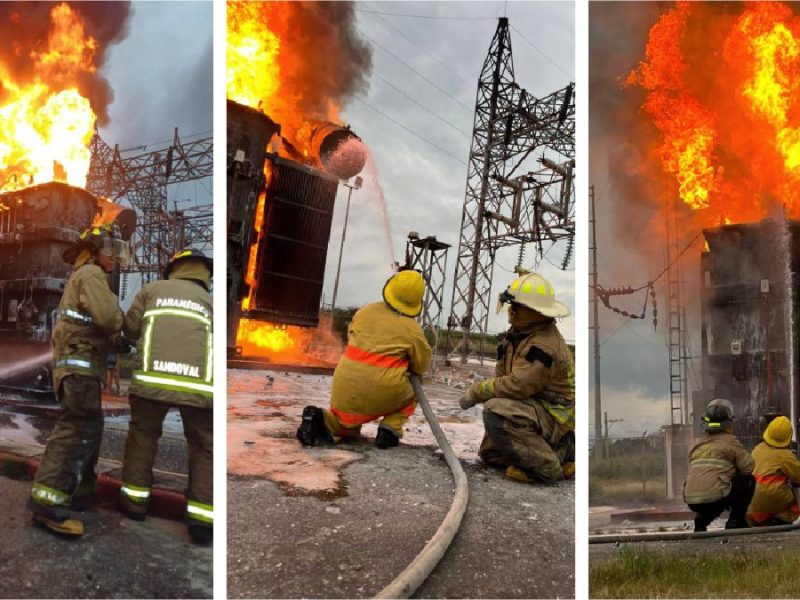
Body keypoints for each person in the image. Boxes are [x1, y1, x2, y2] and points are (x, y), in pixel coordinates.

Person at [28, 225, 127, 536]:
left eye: (118, 250)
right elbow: (109, 318)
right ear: (94, 251)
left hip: (80, 369)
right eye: (109, 249)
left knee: (90, 428)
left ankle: (81, 492)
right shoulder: (92, 275)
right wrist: (124, 327)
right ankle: (48, 502)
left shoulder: (82, 275)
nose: (115, 256)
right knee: (75, 431)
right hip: (80, 370)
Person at [118, 248, 214, 544]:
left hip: (151, 383)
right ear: (204, 273)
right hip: (198, 388)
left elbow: (131, 329)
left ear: (173, 268)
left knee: (143, 437)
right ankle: (201, 520)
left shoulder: (151, 290)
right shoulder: (211, 302)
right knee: (204, 446)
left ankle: (134, 504)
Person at [459, 272, 575, 484]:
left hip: (554, 414)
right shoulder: (517, 336)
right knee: (491, 454)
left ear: (530, 311)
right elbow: (503, 377)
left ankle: (549, 466)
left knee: (497, 409)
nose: (510, 311)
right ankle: (560, 452)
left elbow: (517, 385)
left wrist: (477, 391)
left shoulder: (543, 347)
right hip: (533, 406)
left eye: (516, 306)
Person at [297, 269, 432, 448]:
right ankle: (389, 429)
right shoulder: (413, 330)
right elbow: (421, 367)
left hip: (345, 385)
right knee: (416, 388)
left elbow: (353, 337)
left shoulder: (364, 311)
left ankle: (323, 421)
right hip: (384, 392)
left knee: (345, 425)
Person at [684, 398, 755, 531]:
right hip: (715, 497)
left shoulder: (698, 444)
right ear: (728, 422)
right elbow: (748, 467)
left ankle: (702, 519)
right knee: (747, 481)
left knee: (716, 490)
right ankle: (735, 521)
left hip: (691, 500)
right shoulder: (730, 441)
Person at [746, 415, 800, 526]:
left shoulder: (758, 448)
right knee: (793, 496)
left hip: (751, 502)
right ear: (788, 437)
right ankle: (783, 517)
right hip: (774, 499)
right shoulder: (784, 455)